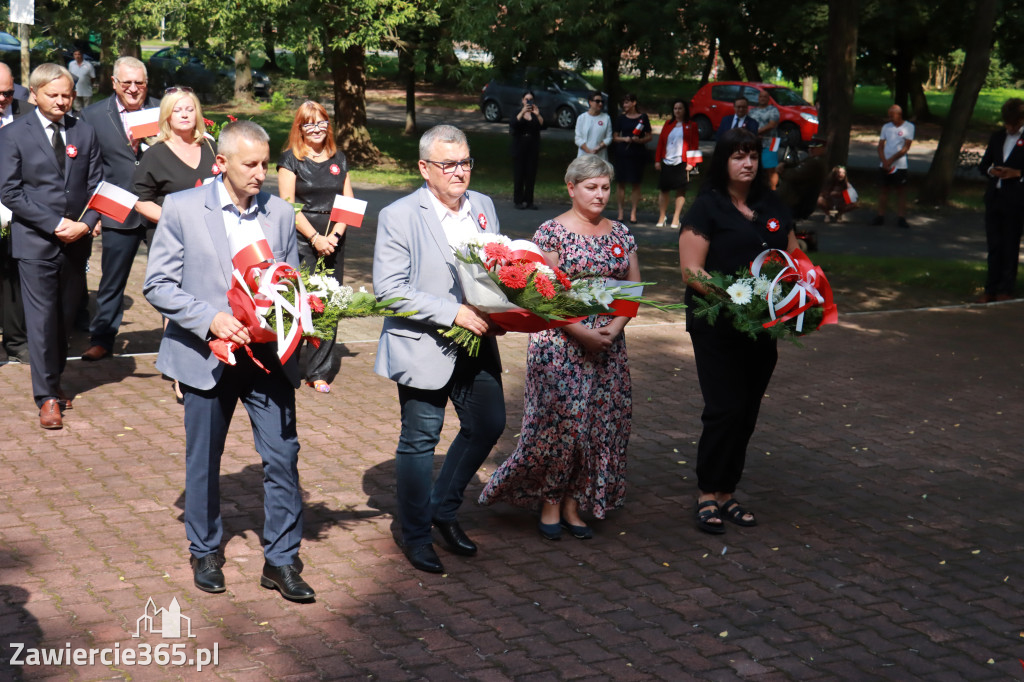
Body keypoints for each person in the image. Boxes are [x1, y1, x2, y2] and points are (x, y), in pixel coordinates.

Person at [143, 121, 315, 603]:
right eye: (251, 164)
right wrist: (211, 320)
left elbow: (289, 282)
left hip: (266, 360)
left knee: (283, 457)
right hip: (206, 356)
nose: (262, 173)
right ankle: (204, 548)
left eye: (265, 162)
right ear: (222, 164)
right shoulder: (181, 208)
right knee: (205, 460)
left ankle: (281, 560)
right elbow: (157, 285)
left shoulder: (280, 213)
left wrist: (297, 323)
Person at [478, 155, 639, 540]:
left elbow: (632, 289)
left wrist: (613, 330)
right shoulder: (551, 233)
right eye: (590, 187)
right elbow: (542, 293)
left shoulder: (621, 233)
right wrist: (582, 331)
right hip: (560, 345)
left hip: (608, 347)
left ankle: (573, 502)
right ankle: (549, 500)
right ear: (571, 188)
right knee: (559, 426)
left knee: (600, 427)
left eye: (604, 187)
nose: (599, 195)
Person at [372, 124, 506, 574]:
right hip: (424, 345)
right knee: (420, 441)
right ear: (424, 168)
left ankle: (442, 510)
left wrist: (502, 310)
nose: (459, 172)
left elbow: (495, 270)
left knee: (489, 424)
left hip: (477, 341)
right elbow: (388, 290)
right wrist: (452, 313)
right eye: (448, 164)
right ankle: (415, 536)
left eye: (465, 162)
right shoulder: (399, 215)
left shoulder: (483, 206)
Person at [677, 127, 798, 535]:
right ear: (723, 162)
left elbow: (793, 257)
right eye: (737, 156)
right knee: (724, 407)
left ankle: (727, 491)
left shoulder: (771, 204)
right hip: (717, 324)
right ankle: (706, 493)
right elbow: (692, 271)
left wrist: (803, 290)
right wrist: (734, 300)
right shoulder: (706, 208)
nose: (746, 163)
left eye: (752, 155)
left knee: (746, 410)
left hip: (762, 327)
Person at [0, 64, 103, 429]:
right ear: (34, 93)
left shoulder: (84, 132)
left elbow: (96, 184)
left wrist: (86, 224)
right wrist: (55, 224)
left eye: (67, 95)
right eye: (54, 95)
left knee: (64, 318)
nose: (62, 102)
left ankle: (54, 382)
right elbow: (10, 190)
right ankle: (46, 397)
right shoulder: (14, 134)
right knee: (41, 320)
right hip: (35, 242)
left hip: (76, 243)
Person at [131, 87, 219, 402]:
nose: (184, 114)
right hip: (172, 239)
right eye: (177, 109)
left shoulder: (210, 148)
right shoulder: (155, 153)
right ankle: (182, 374)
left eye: (189, 109)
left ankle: (212, 360)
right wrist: (176, 220)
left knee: (208, 297)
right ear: (167, 115)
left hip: (210, 238)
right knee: (178, 303)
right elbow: (140, 201)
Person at [79, 56, 160, 362]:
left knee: (170, 277)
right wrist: (93, 212)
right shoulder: (94, 115)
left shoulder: (163, 110)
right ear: (114, 82)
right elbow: (89, 167)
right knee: (112, 279)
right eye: (126, 82)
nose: (133, 88)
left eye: (139, 82)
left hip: (158, 208)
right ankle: (101, 339)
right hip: (117, 207)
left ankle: (175, 341)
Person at [277, 100, 354, 393]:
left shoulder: (340, 159)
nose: (317, 129)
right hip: (302, 238)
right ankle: (290, 367)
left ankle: (319, 370)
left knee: (329, 304)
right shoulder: (290, 160)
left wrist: (334, 236)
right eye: (309, 123)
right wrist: (315, 238)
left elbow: (349, 203)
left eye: (322, 122)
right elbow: (288, 205)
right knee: (300, 303)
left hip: (334, 239)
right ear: (300, 128)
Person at [977, 98, 1024, 302]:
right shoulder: (997, 137)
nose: (1009, 128)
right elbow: (984, 164)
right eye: (1007, 123)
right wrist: (991, 170)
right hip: (995, 197)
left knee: (1010, 244)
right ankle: (990, 287)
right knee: (994, 245)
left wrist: (1017, 173)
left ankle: (1006, 288)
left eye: (1014, 124)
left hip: (1016, 199)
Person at [0, 62, 31, 364]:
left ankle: (17, 341)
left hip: (19, 209)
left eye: (8, 92)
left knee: (14, 280)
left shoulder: (27, 113)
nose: (2, 99)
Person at [654, 98, 700, 228]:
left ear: (685, 110)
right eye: (675, 108)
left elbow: (695, 145)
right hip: (667, 160)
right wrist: (657, 160)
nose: (677, 111)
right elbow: (661, 143)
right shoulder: (668, 124)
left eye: (680, 108)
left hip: (682, 161)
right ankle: (662, 216)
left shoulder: (692, 125)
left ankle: (676, 217)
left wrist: (692, 163)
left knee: (681, 190)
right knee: (664, 189)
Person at [611, 93, 652, 223]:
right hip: (623, 153)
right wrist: (625, 138)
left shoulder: (643, 118)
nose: (625, 105)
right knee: (621, 182)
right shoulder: (621, 118)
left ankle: (633, 213)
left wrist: (639, 140)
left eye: (627, 102)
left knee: (636, 183)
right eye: (623, 103)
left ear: (634, 103)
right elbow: (615, 137)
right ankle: (621, 212)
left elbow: (649, 136)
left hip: (637, 153)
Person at [872, 104, 914, 228]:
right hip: (884, 165)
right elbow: (880, 145)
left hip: (899, 165)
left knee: (900, 191)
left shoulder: (909, 127)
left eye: (892, 116)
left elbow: (906, 147)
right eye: (889, 116)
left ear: (899, 114)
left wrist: (891, 160)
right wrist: (884, 161)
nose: (890, 118)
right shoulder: (886, 127)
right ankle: (880, 216)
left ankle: (901, 217)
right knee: (884, 190)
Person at [510, 90, 543, 210]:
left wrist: (538, 114)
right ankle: (518, 200)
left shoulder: (535, 113)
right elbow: (513, 124)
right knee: (519, 175)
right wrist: (523, 112)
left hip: (532, 147)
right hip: (519, 147)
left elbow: (542, 125)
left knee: (531, 175)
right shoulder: (517, 112)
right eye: (526, 99)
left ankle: (529, 201)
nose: (528, 101)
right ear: (522, 100)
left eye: (531, 99)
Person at [749, 90, 781, 190]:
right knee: (755, 167)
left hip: (771, 143)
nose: (762, 98)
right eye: (761, 97)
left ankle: (773, 190)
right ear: (758, 98)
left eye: (765, 97)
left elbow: (772, 125)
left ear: (768, 99)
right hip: (755, 143)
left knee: (770, 168)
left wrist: (756, 132)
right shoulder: (752, 111)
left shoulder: (773, 110)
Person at [574, 94, 611, 161]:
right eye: (597, 101)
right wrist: (588, 151)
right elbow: (578, 138)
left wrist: (598, 147)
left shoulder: (606, 118)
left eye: (602, 101)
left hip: (600, 156)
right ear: (590, 102)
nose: (600, 103)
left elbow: (609, 138)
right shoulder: (582, 118)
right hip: (583, 156)